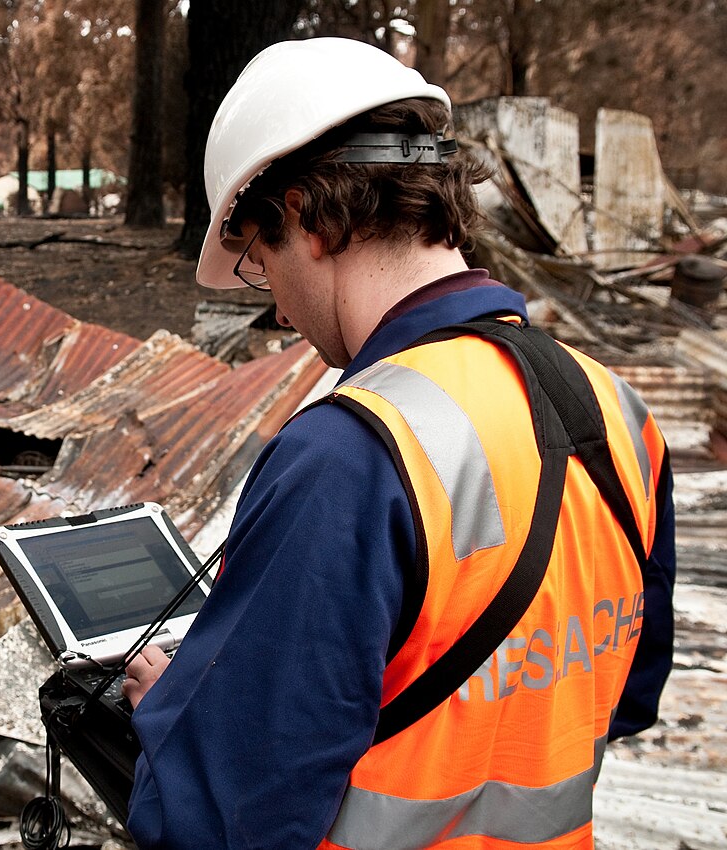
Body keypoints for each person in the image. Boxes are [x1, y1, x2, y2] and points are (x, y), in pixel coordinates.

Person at [121, 38, 674, 849]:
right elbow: (623, 693)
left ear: (307, 216)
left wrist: (185, 714)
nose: (274, 307)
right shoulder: (618, 410)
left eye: (259, 260)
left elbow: (220, 816)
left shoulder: (347, 459)